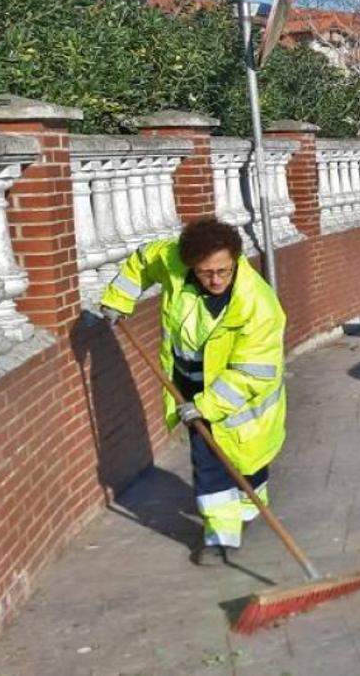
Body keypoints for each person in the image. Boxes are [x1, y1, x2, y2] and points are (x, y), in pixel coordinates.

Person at [99, 218, 286, 566]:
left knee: (248, 454)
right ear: (189, 265)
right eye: (204, 273)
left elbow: (251, 371)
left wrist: (206, 405)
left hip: (243, 397)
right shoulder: (173, 259)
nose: (215, 280)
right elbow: (142, 261)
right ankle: (220, 537)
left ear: (235, 260)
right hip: (189, 383)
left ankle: (248, 505)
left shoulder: (258, 305)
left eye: (223, 271)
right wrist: (119, 297)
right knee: (209, 458)